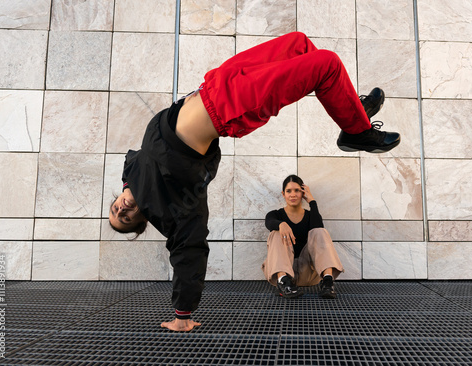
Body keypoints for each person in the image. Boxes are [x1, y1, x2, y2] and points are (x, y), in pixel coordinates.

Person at [108, 32, 400, 332]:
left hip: (217, 82)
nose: (121, 211)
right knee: (326, 64)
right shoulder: (174, 207)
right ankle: (356, 131)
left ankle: (350, 107)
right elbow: (188, 254)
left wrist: (127, 188)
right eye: (126, 219)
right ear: (143, 219)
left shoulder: (134, 171)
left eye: (115, 210)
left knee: (298, 43)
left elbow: (129, 165)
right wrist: (182, 315)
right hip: (231, 106)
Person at [262, 175, 342, 299]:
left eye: (297, 190)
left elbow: (319, 229)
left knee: (319, 231)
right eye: (289, 191)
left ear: (303, 193)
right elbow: (269, 222)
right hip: (281, 272)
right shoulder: (276, 214)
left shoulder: (311, 216)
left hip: (308, 274)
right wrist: (281, 224)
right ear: (283, 194)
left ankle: (327, 282)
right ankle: (283, 282)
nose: (293, 194)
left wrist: (312, 201)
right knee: (276, 232)